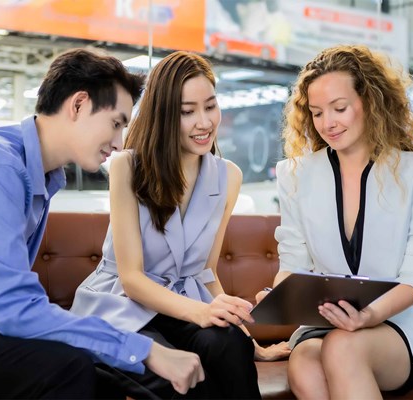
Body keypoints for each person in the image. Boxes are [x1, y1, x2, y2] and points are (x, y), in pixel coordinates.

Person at [0, 48, 205, 399]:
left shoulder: (43, 175)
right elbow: (11, 307)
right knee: (69, 369)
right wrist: (147, 350)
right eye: (116, 122)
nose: (120, 141)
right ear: (78, 105)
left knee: (100, 375)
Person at [71, 50, 287, 399]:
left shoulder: (228, 175)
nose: (204, 122)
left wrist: (251, 344)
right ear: (165, 115)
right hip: (124, 303)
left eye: (210, 106)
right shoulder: (128, 167)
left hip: (184, 303)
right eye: (188, 112)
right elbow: (132, 279)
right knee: (183, 375)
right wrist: (202, 312)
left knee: (230, 345)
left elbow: (206, 272)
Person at [256, 44, 413, 398]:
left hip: (398, 323)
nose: (327, 124)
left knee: (342, 347)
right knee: (305, 360)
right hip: (324, 323)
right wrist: (283, 295)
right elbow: (293, 264)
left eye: (340, 108)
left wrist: (369, 316)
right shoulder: (295, 175)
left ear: (371, 101)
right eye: (317, 113)